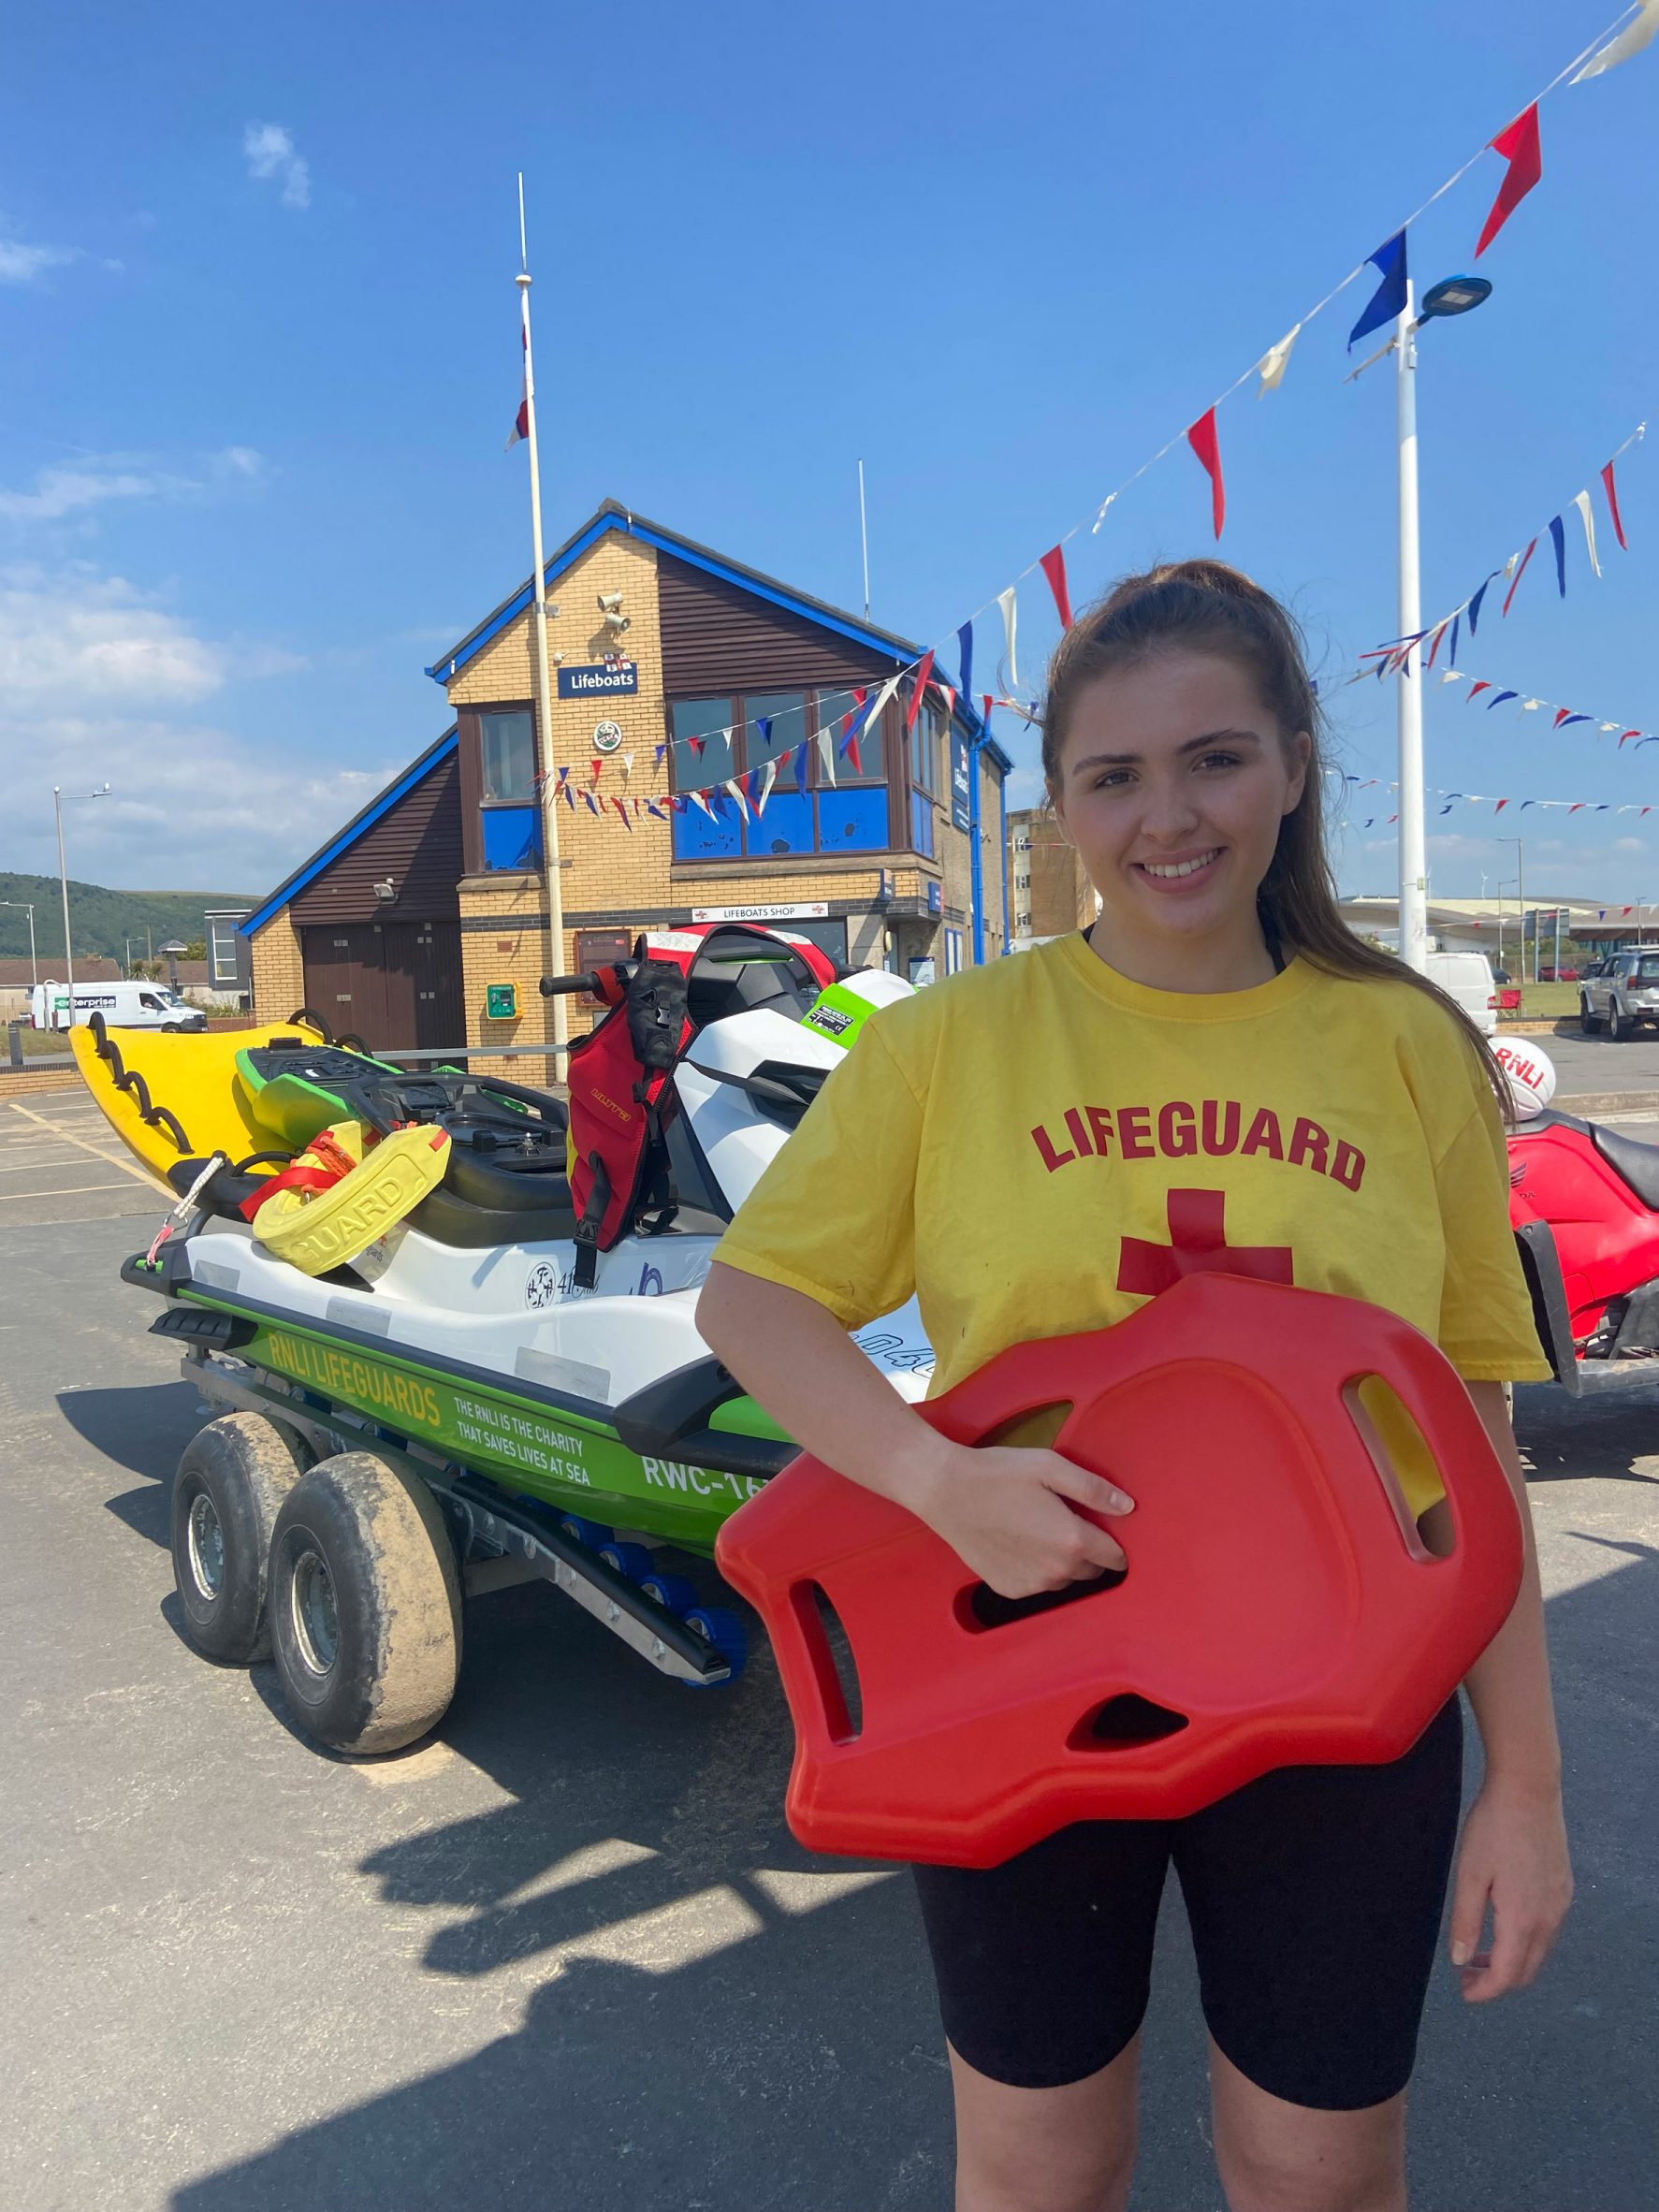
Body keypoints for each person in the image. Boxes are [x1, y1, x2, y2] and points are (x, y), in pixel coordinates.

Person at [697, 560, 1572, 2212]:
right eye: (1114, 775)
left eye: (1214, 757)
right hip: (1026, 1660)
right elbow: (756, 1307)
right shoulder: (949, 1044)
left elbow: (1474, 1442)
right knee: (1039, 2173)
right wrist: (936, 1486)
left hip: (1344, 1693)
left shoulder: (1401, 1047)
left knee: (1313, 2176)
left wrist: (1521, 1785)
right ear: (1063, 806)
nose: (1167, 815)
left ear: (1295, 766)